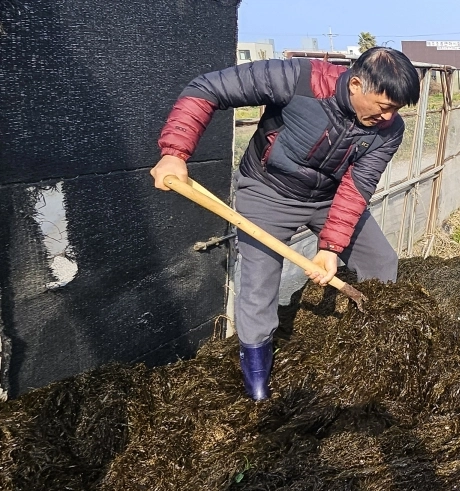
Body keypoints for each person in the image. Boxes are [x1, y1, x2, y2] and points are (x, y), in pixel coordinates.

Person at [150, 47, 421, 401]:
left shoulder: (389, 130)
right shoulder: (297, 78)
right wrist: (174, 153)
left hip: (329, 198)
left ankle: (377, 340)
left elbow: (357, 187)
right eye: (384, 105)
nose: (388, 116)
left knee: (381, 260)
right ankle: (257, 370)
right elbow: (206, 88)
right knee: (259, 283)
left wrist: (329, 247)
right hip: (268, 191)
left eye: (396, 109)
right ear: (355, 84)